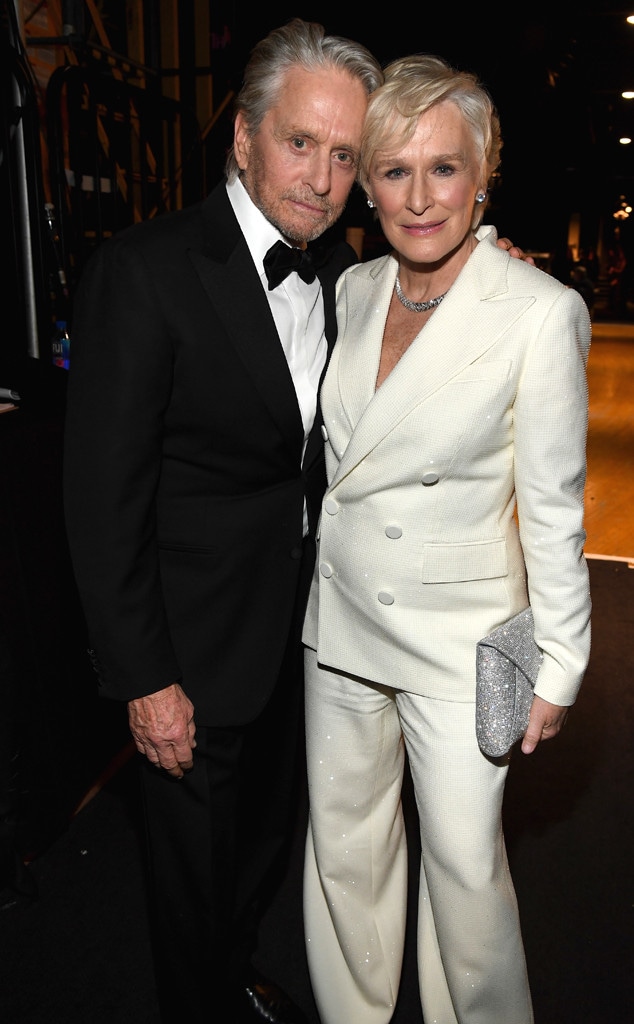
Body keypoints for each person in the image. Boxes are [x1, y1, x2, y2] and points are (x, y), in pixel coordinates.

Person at [63, 20, 527, 1023]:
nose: (320, 176)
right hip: (187, 655)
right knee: (185, 888)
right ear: (242, 137)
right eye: (298, 142)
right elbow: (100, 503)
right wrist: (144, 679)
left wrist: (487, 261)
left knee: (262, 855)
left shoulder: (348, 274)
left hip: (308, 645)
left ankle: (232, 975)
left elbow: (427, 311)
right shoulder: (144, 272)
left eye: (344, 154)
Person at [302, 54, 592, 1024]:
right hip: (340, 621)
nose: (418, 197)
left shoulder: (539, 314)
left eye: (444, 168)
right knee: (344, 844)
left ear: (483, 173)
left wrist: (559, 661)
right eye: (393, 169)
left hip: (464, 641)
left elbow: (552, 505)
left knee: (465, 871)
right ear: (369, 180)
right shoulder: (353, 291)